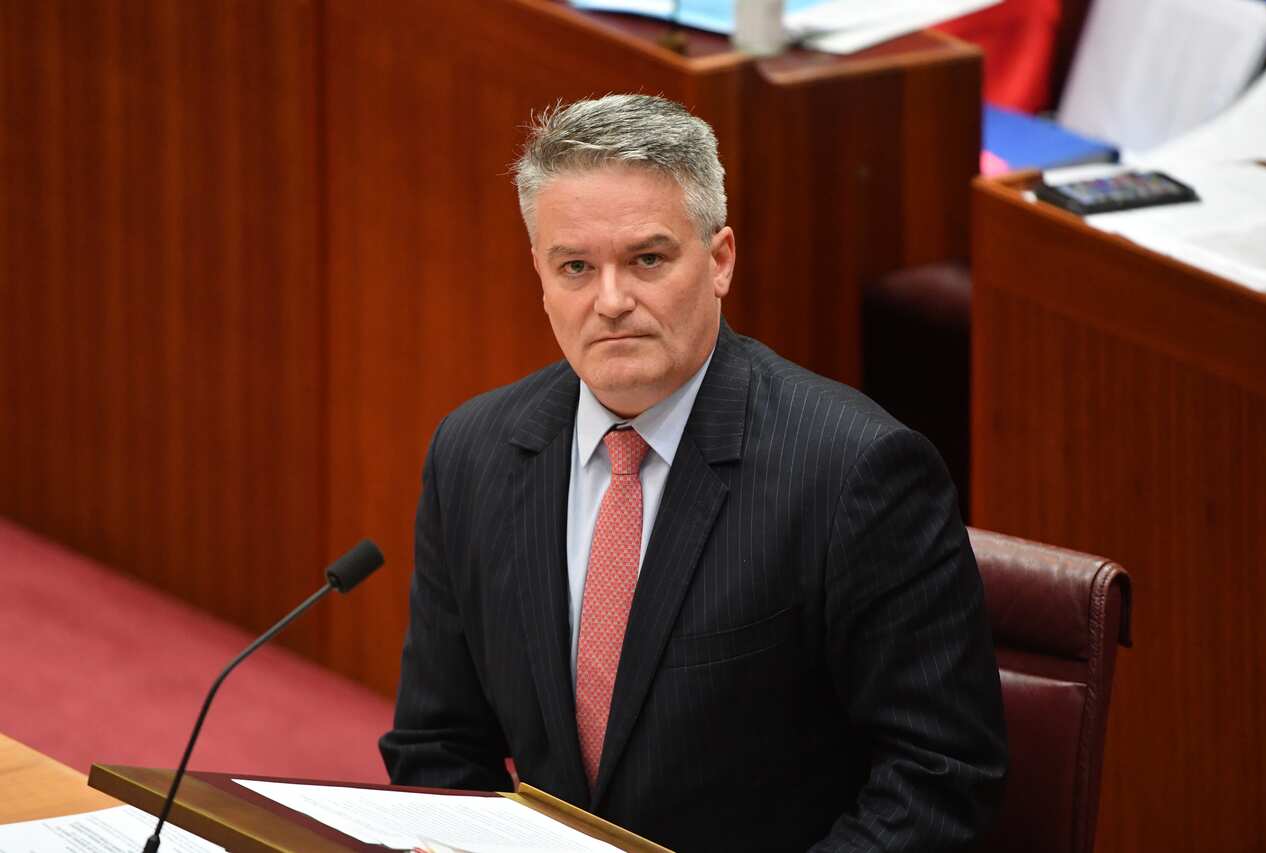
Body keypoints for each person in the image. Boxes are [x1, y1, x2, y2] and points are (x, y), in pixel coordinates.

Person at [380, 94, 1006, 852]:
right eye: (575, 266)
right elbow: (437, 744)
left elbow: (938, 776)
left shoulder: (855, 471)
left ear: (719, 261)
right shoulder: (474, 453)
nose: (611, 302)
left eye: (647, 259)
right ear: (541, 277)